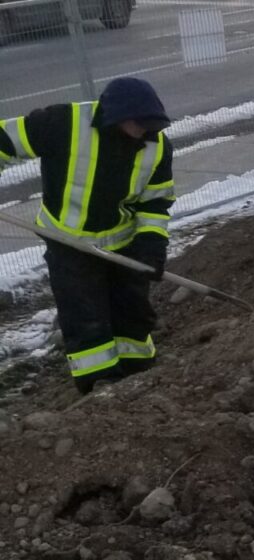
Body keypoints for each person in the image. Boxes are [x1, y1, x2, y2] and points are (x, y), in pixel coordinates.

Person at [0, 77, 174, 394]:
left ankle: (141, 375)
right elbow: (4, 140)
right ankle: (101, 388)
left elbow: (156, 202)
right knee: (86, 319)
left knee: (133, 315)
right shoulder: (62, 123)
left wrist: (152, 244)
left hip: (124, 245)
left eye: (151, 125)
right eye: (139, 125)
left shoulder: (158, 145)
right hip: (69, 244)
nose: (146, 133)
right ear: (117, 116)